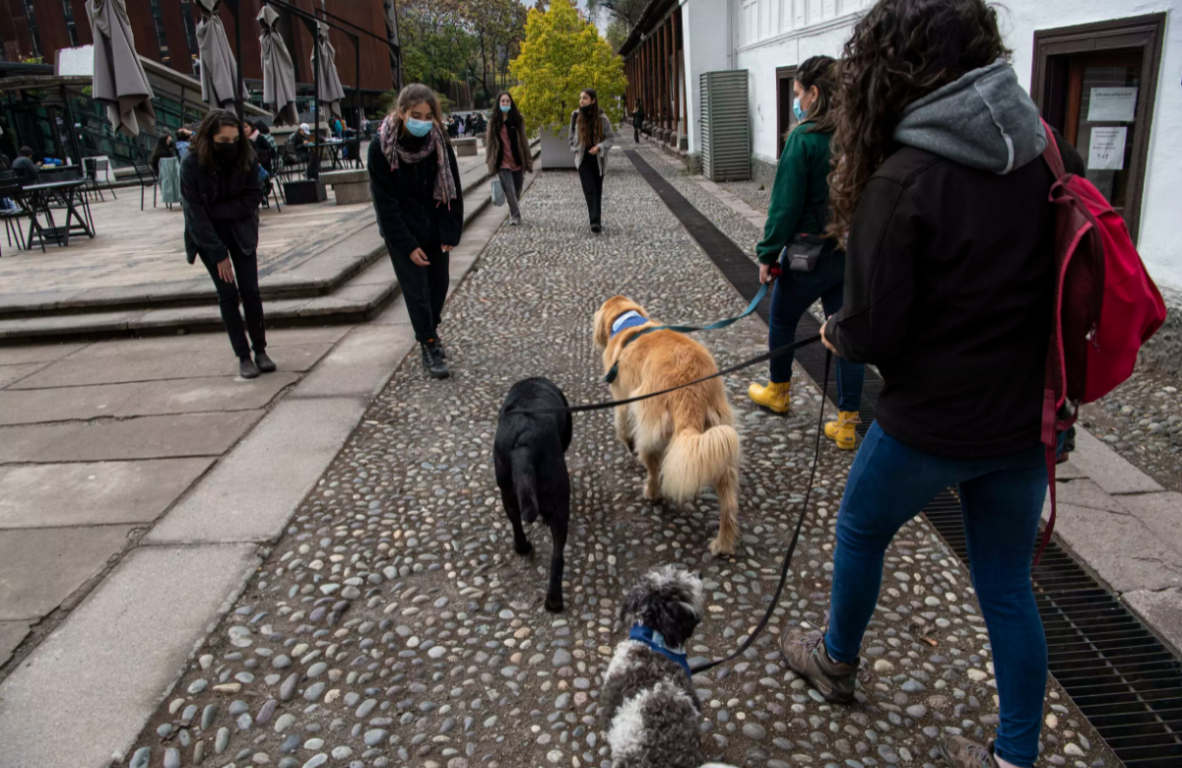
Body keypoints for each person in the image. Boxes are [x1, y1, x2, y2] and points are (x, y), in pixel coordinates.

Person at [777, 3, 1073, 768]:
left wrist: (840, 331)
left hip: (930, 425)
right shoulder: (1046, 151)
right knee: (1006, 583)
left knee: (860, 528)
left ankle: (836, 660)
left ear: (893, 72)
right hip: (1021, 422)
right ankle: (1014, 758)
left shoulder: (903, 180)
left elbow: (874, 331)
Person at [747, 56, 865, 450]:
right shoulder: (857, 135)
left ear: (814, 93)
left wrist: (767, 254)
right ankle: (848, 422)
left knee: (781, 319)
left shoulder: (803, 139)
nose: (795, 101)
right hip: (847, 254)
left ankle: (779, 392)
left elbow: (784, 206)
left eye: (797, 93)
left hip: (806, 256)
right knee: (844, 333)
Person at [368, 83, 464, 380]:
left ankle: (429, 329)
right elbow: (385, 204)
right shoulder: (381, 147)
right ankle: (429, 343)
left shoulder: (439, 141)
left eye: (428, 115)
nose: (422, 121)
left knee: (439, 285)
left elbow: (453, 189)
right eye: (416, 114)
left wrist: (450, 232)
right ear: (402, 112)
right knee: (416, 291)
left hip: (434, 224)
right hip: (402, 230)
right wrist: (407, 244)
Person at [180, 109, 271, 380]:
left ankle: (260, 349)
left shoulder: (247, 156)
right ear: (210, 138)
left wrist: (218, 210)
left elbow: (254, 195)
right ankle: (243, 355)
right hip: (209, 237)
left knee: (251, 290)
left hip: (242, 231)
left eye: (233, 140)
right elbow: (195, 214)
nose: (229, 146)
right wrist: (218, 254)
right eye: (223, 140)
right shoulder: (191, 164)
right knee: (228, 294)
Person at [569, 88, 614, 234]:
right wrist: (574, 147)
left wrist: (600, 147)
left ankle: (597, 222)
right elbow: (571, 134)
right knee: (590, 189)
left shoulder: (602, 118)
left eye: (585, 98)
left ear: (593, 100)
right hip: (583, 159)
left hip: (598, 160)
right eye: (580, 98)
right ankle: (594, 220)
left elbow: (610, 138)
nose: (581, 101)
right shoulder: (575, 116)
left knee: (597, 190)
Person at [486, 92, 533, 226]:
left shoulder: (517, 120)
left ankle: (513, 208)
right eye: (502, 101)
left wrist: (528, 160)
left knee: (517, 189)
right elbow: (489, 143)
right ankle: (515, 215)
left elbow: (524, 140)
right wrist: (490, 163)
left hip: (517, 160)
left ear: (511, 103)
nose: (505, 104)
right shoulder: (493, 122)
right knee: (509, 190)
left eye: (507, 101)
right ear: (498, 103)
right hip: (502, 162)